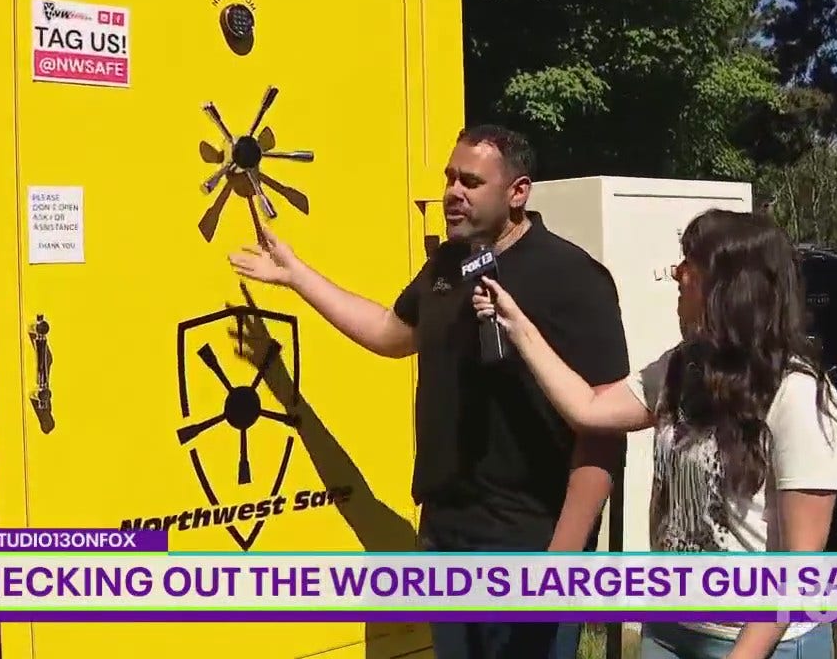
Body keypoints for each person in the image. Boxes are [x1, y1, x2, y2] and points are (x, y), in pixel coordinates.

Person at [229, 124, 631, 658]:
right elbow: (388, 332)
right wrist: (297, 275)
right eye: (449, 178)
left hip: (527, 544)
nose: (453, 192)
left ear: (518, 192)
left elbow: (604, 432)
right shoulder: (448, 265)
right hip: (446, 536)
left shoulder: (572, 277)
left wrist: (560, 566)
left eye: (471, 181)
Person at [472, 208, 837, 659]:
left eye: (689, 263)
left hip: (763, 644)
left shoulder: (797, 393)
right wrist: (515, 322)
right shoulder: (682, 367)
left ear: (728, 285)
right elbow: (588, 409)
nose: (676, 273)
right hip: (671, 629)